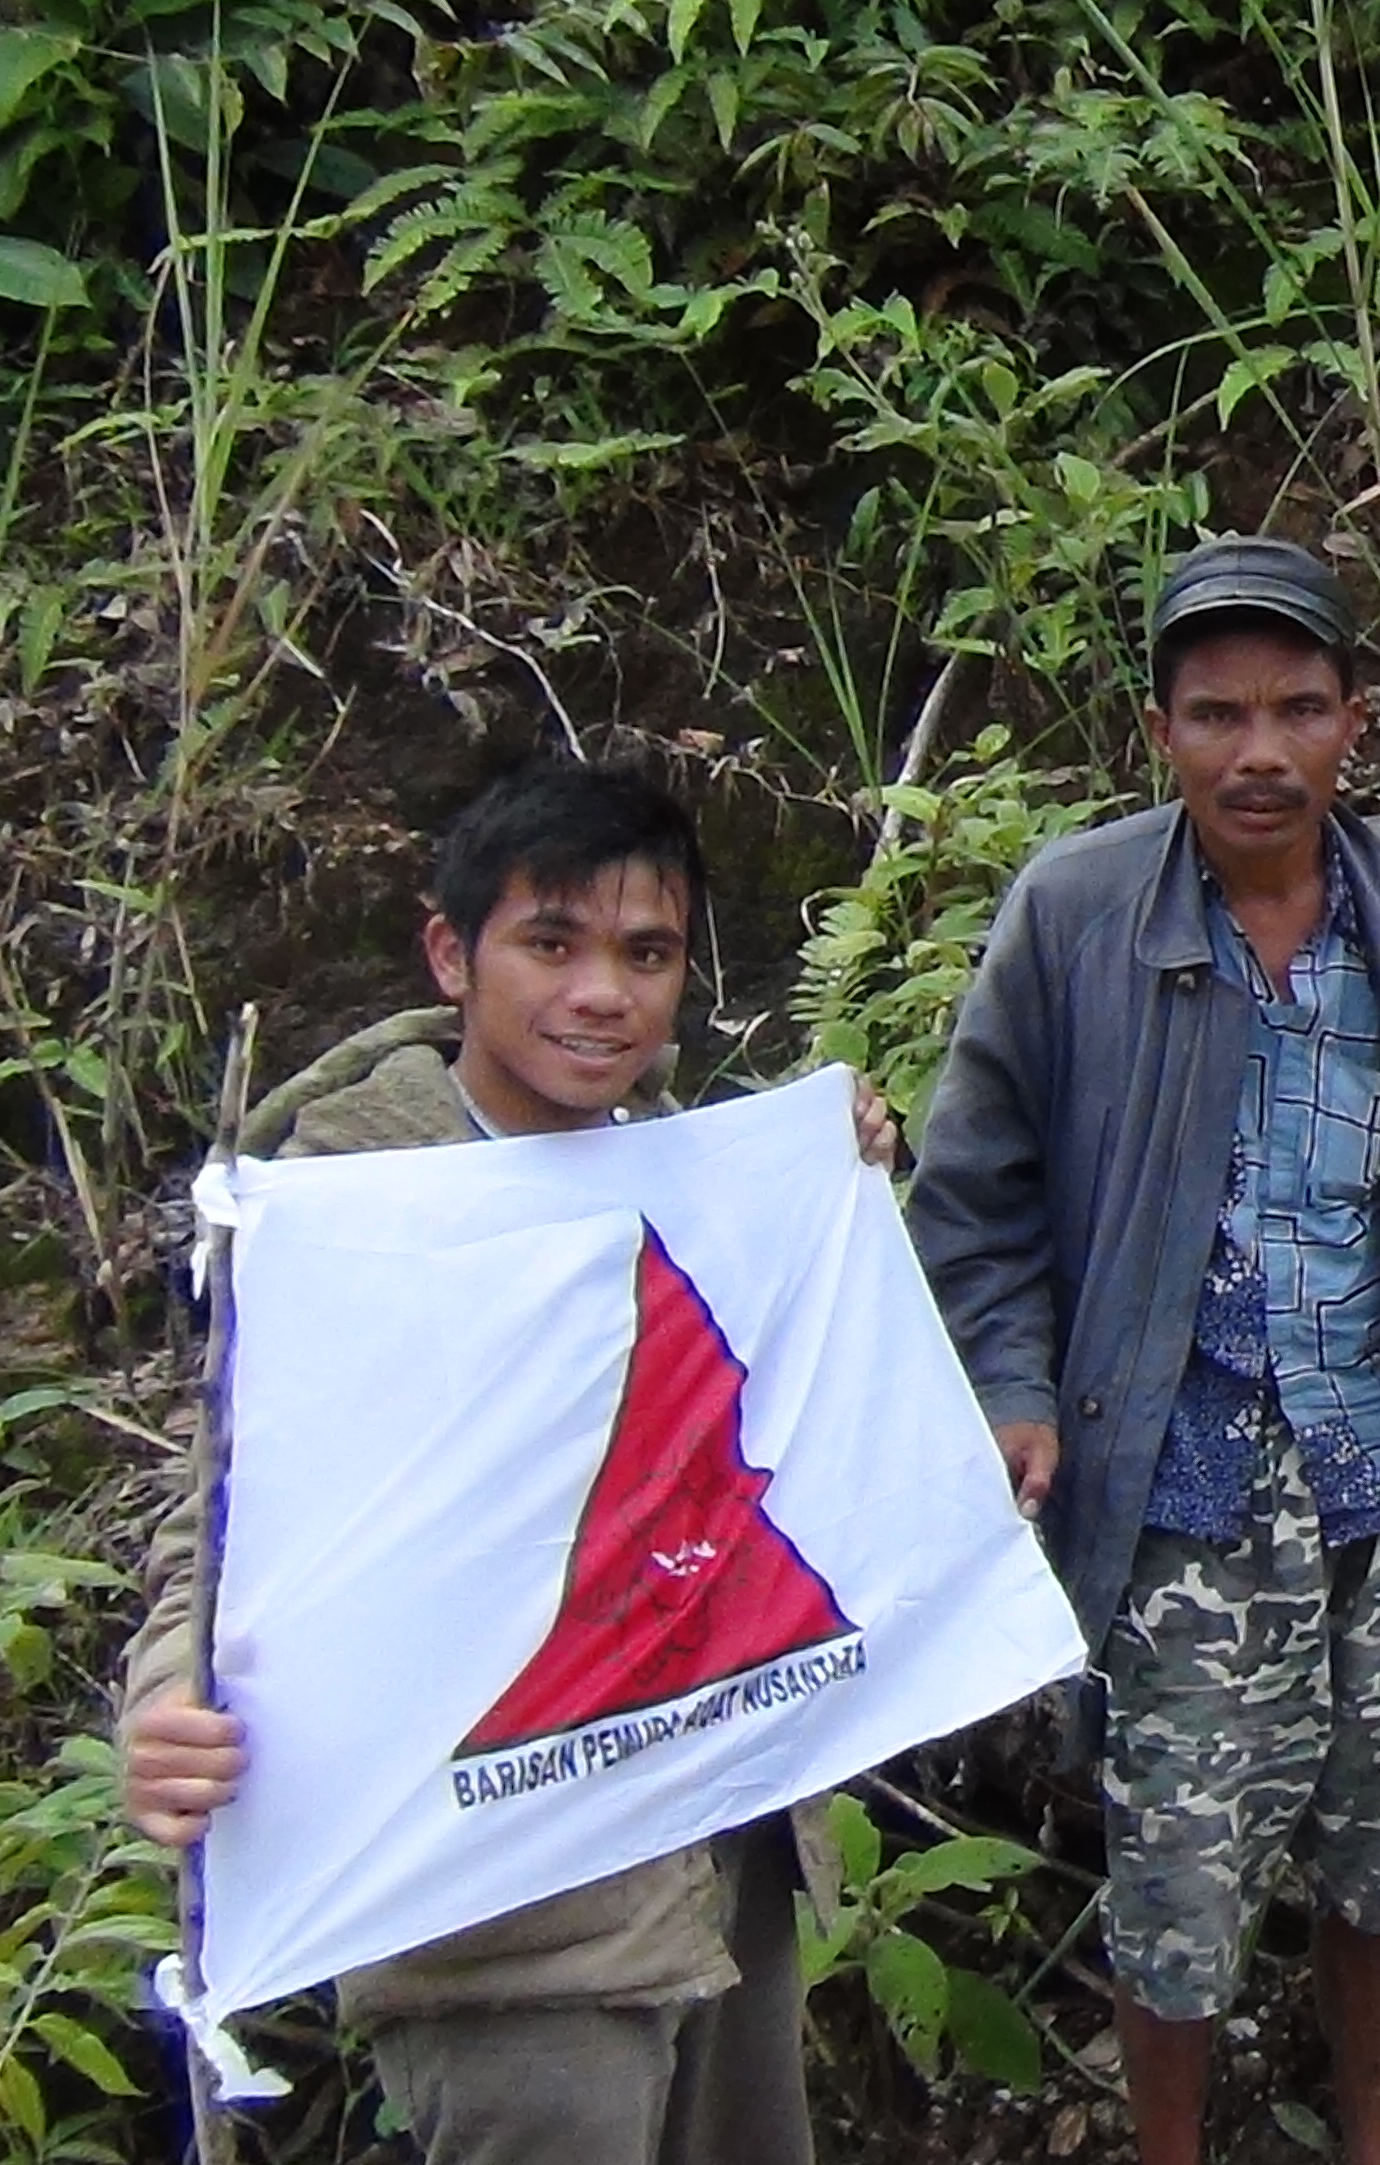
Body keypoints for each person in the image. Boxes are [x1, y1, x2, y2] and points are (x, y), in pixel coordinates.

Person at [906, 534, 1380, 2165]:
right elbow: (972, 1195)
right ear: (1160, 730)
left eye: (1297, 710)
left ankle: (1371, 2146)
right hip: (1186, 1489)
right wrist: (1009, 1393)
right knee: (1178, 1888)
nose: (1257, 754)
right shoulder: (1074, 917)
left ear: (1356, 721)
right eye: (1217, 716)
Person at [118, 759, 889, 2165]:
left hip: (722, 1842)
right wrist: (169, 1688)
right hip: (507, 1903)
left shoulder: (687, 1178)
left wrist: (828, 1194)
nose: (602, 992)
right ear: (449, 954)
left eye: (646, 954)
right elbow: (229, 1508)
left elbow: (787, 1431)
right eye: (552, 943)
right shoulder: (356, 1209)